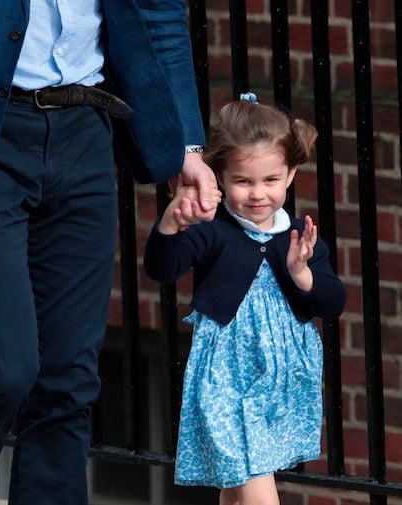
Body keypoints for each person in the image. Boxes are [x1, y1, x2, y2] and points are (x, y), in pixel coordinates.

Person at [0, 2, 219, 504]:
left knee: (68, 380)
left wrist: (188, 146)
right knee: (1, 370)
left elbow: (159, 14)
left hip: (85, 128)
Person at [144, 94, 346, 505]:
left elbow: (333, 302)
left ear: (289, 175)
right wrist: (169, 224)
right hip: (228, 378)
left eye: (270, 180)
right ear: (220, 175)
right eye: (243, 181)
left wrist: (301, 274)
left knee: (237, 490)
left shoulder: (298, 239)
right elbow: (162, 269)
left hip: (281, 381)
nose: (258, 194)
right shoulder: (213, 230)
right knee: (257, 488)